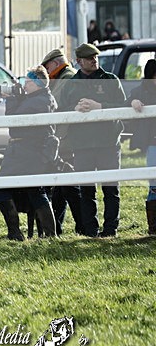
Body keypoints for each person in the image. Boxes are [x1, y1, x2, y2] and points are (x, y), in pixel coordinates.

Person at [61, 43, 127, 237]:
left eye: (95, 57)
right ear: (79, 61)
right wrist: (74, 109)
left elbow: (123, 107)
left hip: (108, 143)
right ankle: (91, 230)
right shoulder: (70, 85)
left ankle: (110, 230)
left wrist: (100, 106)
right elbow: (60, 110)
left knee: (110, 189)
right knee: (86, 190)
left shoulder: (111, 80)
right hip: (82, 145)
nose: (94, 60)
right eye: (89, 58)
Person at [0, 66, 59, 240]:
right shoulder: (40, 98)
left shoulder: (39, 101)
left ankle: (16, 232)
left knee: (1, 188)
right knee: (34, 190)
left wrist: (12, 99)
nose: (24, 85)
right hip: (27, 152)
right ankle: (48, 234)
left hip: (27, 153)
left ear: (38, 84)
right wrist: (18, 97)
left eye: (27, 82)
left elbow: (15, 123)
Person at [40, 49, 83, 235]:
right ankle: (56, 227)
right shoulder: (64, 77)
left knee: (69, 188)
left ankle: (82, 226)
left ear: (56, 64)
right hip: (64, 140)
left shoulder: (67, 79)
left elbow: (56, 104)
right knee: (61, 188)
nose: (46, 71)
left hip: (68, 141)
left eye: (47, 67)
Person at [127, 59, 156, 235]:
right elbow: (128, 100)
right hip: (153, 142)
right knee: (153, 183)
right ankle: (153, 227)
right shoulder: (141, 91)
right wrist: (133, 102)